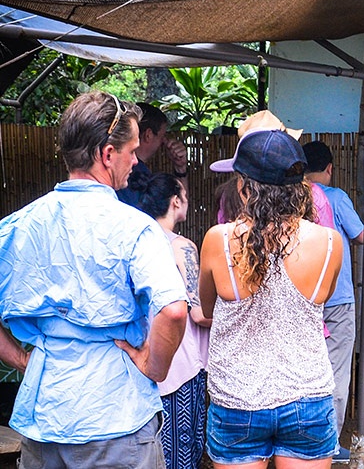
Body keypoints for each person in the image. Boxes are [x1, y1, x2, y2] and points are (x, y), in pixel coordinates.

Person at [0, 91, 188, 468]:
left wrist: (22, 359)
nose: (136, 162)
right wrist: (154, 367)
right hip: (116, 415)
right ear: (106, 154)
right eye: (131, 152)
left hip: (46, 414)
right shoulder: (136, 228)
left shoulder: (19, 226)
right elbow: (174, 311)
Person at [199, 129, 343, 469]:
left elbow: (208, 310)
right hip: (307, 397)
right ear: (300, 184)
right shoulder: (330, 243)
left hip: (238, 398)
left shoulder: (218, 240)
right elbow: (320, 301)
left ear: (243, 185)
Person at [133, 172, 211, 469]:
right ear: (175, 201)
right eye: (186, 198)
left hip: (141, 357)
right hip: (179, 363)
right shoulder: (181, 246)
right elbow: (200, 313)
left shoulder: (135, 241)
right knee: (183, 452)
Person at [302, 140, 364, 465]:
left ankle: (302, 439)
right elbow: (360, 235)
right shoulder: (336, 197)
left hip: (305, 298)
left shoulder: (293, 197)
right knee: (336, 373)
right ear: (329, 168)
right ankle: (327, 445)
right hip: (337, 299)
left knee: (307, 370)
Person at [117, 101, 189, 206]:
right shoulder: (139, 175)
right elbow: (179, 208)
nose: (164, 141)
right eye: (162, 135)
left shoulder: (116, 171)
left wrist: (180, 168)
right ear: (148, 135)